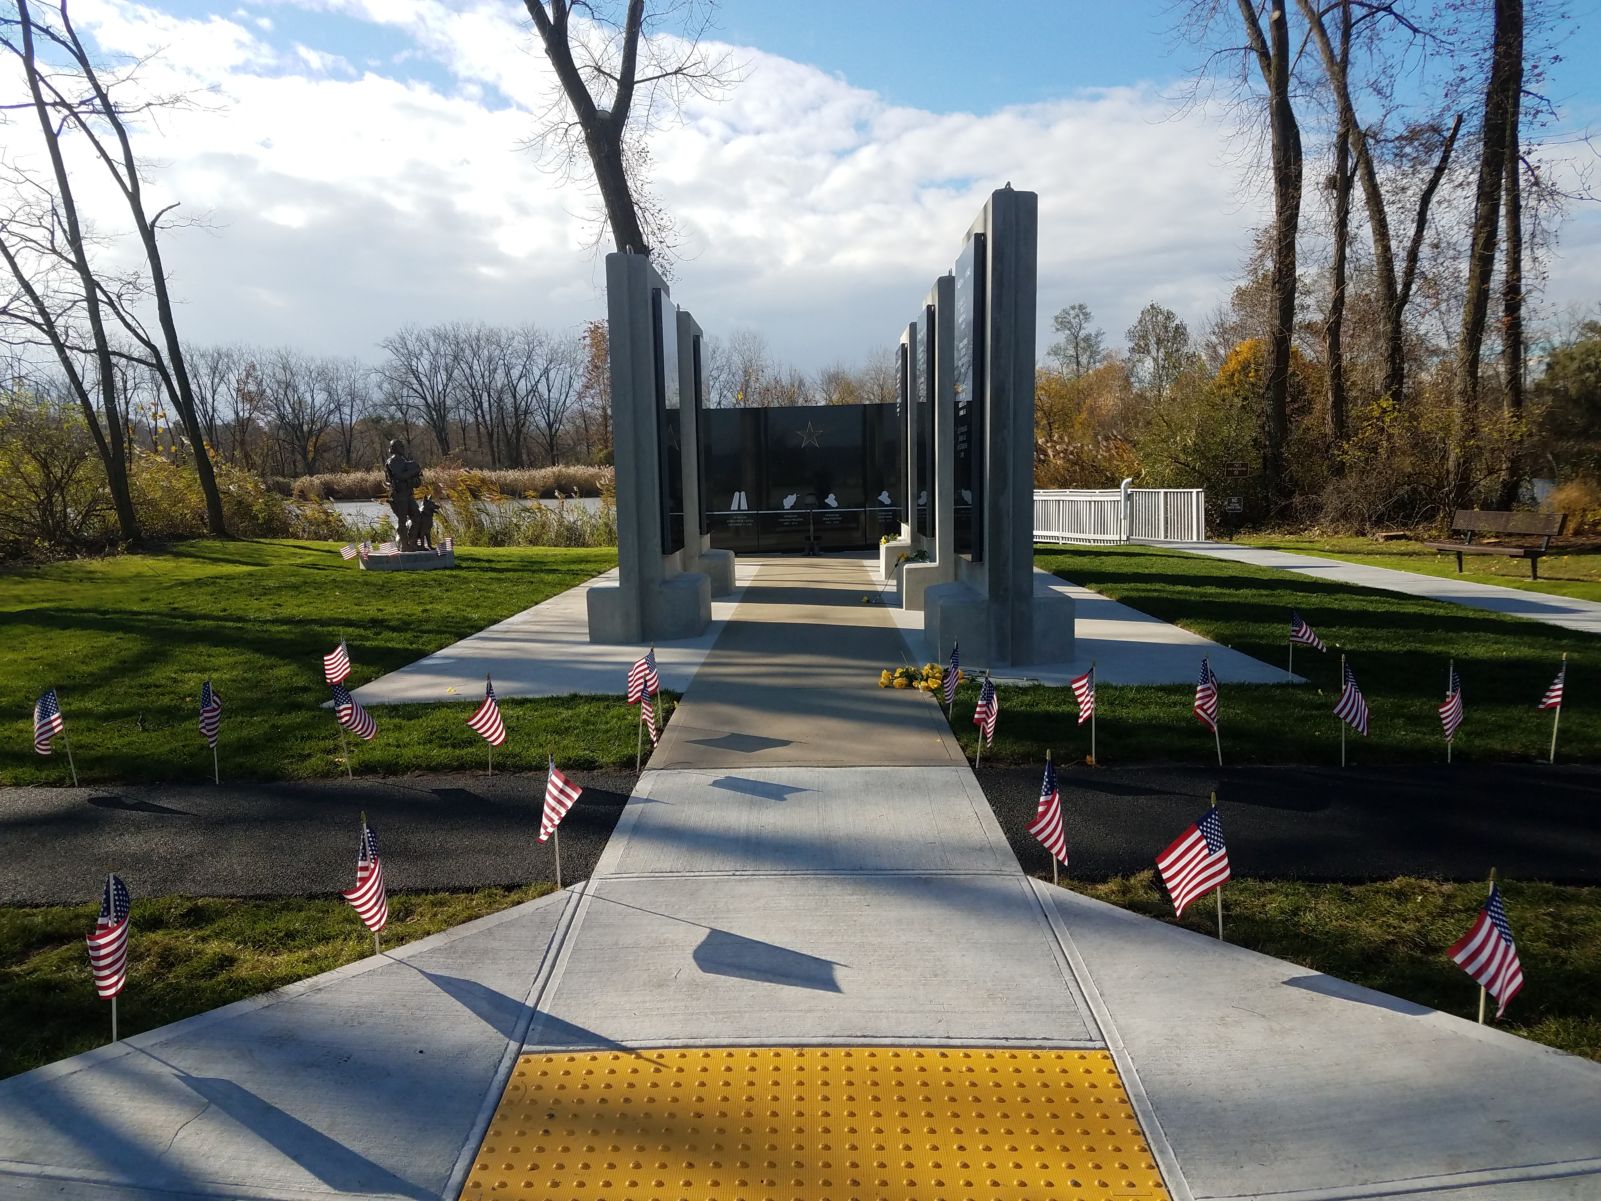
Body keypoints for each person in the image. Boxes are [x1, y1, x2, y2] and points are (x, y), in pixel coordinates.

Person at [384, 440, 423, 549]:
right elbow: (400, 476)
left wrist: (415, 474)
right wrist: (415, 470)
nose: (403, 448)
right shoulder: (393, 460)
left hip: (408, 494)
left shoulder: (403, 460)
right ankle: (404, 545)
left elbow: (411, 476)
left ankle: (413, 542)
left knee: (416, 516)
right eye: (400, 446)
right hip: (399, 495)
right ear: (394, 448)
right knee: (402, 520)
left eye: (402, 446)